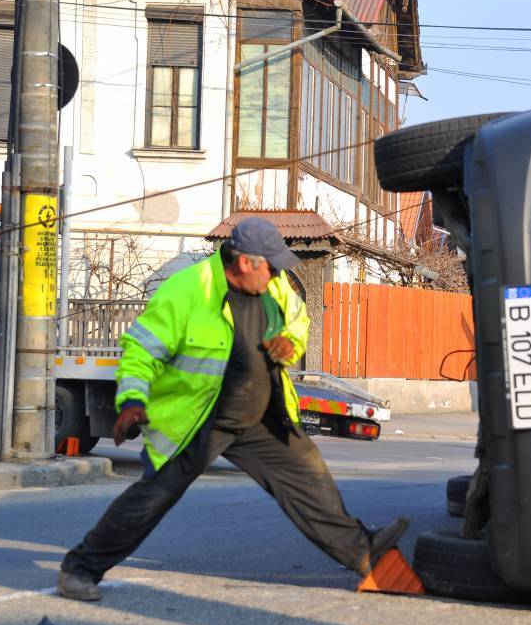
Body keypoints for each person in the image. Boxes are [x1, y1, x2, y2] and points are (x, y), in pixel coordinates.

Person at [57, 217, 409, 601]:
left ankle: (362, 552)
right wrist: (132, 401)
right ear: (244, 262)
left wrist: (290, 342)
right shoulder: (187, 291)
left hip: (260, 416)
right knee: (153, 498)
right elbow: (141, 352)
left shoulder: (274, 286)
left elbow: (298, 319)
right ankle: (80, 569)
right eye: (270, 266)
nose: (277, 274)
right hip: (200, 420)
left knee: (309, 479)